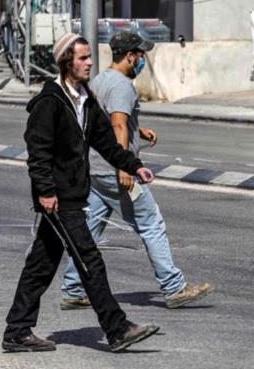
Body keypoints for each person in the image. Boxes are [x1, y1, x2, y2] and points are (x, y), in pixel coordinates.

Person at [2, 33, 159, 353]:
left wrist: (134, 164)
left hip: (74, 193)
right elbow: (38, 152)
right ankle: (116, 328)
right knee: (89, 259)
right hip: (58, 198)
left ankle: (17, 330)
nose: (90, 63)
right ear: (66, 62)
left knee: (41, 265)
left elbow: (106, 142)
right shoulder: (51, 102)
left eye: (89, 57)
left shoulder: (85, 99)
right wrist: (45, 191)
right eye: (83, 58)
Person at [59, 30, 213, 310]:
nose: (142, 60)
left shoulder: (100, 81)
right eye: (141, 55)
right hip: (114, 170)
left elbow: (106, 121)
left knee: (90, 231)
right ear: (130, 56)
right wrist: (124, 164)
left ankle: (73, 289)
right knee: (151, 225)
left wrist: (136, 130)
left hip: (95, 169)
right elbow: (117, 123)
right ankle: (174, 287)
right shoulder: (121, 86)